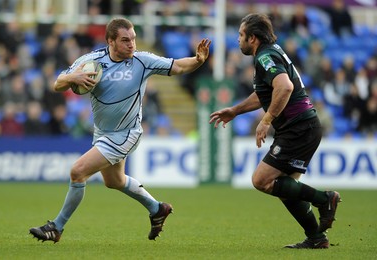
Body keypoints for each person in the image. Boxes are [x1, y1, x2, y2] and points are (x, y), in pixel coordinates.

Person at [29, 17, 211, 243]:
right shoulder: (91, 60)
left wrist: (198, 60)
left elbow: (178, 66)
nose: (132, 45)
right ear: (110, 41)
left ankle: (56, 227)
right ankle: (157, 209)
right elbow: (58, 83)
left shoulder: (142, 61)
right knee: (114, 181)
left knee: (78, 171)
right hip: (103, 133)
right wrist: (72, 77)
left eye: (133, 39)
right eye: (125, 40)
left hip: (127, 133)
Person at [209, 13, 341, 249]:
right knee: (285, 189)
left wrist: (266, 120)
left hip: (298, 128)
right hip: (303, 126)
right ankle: (316, 238)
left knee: (261, 180)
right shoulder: (271, 51)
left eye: (241, 35)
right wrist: (236, 111)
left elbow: (285, 87)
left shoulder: (265, 56)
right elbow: (266, 94)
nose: (238, 40)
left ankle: (325, 199)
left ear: (253, 38)